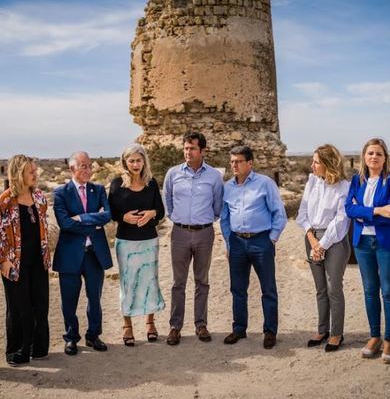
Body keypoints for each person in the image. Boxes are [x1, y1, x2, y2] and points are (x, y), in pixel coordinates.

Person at [345, 138, 390, 363]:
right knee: (370, 290)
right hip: (362, 243)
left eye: (379, 154)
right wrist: (376, 210)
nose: (374, 157)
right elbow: (348, 209)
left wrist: (366, 212)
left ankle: (389, 338)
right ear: (364, 156)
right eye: (370, 153)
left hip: (388, 242)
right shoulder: (356, 181)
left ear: (385, 158)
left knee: (389, 291)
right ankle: (374, 336)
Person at [220, 145, 287, 349]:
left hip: (261, 242)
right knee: (238, 289)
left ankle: (269, 331)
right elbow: (224, 217)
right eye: (232, 161)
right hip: (237, 243)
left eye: (238, 161)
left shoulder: (265, 183)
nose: (234, 165)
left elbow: (279, 214)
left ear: (250, 163)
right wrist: (228, 241)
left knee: (268, 288)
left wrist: (271, 239)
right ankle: (239, 329)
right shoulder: (227, 187)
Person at [163, 131, 224, 346]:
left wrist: (204, 221)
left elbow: (218, 206)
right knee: (178, 283)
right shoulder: (173, 174)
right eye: (186, 148)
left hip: (205, 233)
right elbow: (167, 202)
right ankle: (175, 327)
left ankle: (201, 324)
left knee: (202, 281)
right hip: (179, 233)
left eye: (192, 148)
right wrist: (179, 220)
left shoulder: (214, 176)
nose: (188, 152)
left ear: (202, 151)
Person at [53, 151, 112, 355]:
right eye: (84, 166)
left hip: (94, 254)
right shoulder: (61, 193)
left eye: (90, 166)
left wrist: (81, 218)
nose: (88, 170)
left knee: (94, 298)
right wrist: (91, 223)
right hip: (69, 255)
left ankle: (93, 335)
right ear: (72, 169)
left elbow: (107, 216)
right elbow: (65, 223)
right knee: (69, 300)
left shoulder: (99, 190)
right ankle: (71, 338)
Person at [0, 155, 51, 365]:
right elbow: (0, 235)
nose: (35, 174)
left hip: (38, 261)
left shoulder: (40, 196)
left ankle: (39, 348)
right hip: (14, 263)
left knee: (40, 304)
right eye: (31, 172)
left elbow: (43, 228)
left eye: (36, 170)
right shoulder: (5, 200)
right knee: (20, 307)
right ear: (19, 174)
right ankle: (19, 350)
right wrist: (3, 261)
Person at [108, 144, 165, 346]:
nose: (135, 164)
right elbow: (111, 213)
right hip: (125, 241)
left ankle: (150, 323)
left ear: (144, 161)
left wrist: (151, 213)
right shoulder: (116, 184)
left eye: (138, 160)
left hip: (149, 239)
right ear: (125, 162)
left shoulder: (151, 183)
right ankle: (128, 326)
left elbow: (160, 211)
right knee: (128, 283)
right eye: (131, 160)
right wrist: (124, 217)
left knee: (150, 281)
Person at [296, 144, 350, 352]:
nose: (312, 165)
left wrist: (322, 244)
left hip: (334, 240)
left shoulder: (343, 187)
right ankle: (322, 330)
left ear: (328, 164)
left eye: (316, 162)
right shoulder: (312, 182)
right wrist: (312, 239)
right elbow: (302, 213)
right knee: (320, 288)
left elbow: (341, 220)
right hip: (311, 237)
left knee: (333, 288)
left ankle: (337, 334)